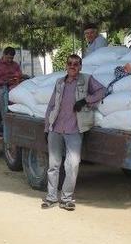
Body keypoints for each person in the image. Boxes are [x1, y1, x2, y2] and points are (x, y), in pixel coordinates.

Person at [42, 54, 106, 211]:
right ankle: (51, 198)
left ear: (80, 67)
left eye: (76, 64)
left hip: (74, 129)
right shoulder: (59, 82)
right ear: (66, 65)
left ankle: (66, 199)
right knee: (53, 165)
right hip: (56, 128)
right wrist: (46, 127)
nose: (72, 66)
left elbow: (102, 91)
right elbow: (51, 105)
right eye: (70, 63)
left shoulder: (87, 79)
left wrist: (85, 101)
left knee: (72, 165)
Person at [0, 46, 22, 113]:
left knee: (21, 90)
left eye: (11, 58)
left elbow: (19, 75)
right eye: (8, 58)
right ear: (4, 54)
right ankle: (5, 115)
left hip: (13, 85)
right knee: (3, 92)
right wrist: (5, 82)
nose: (10, 60)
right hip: (0, 86)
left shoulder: (15, 65)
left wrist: (17, 80)